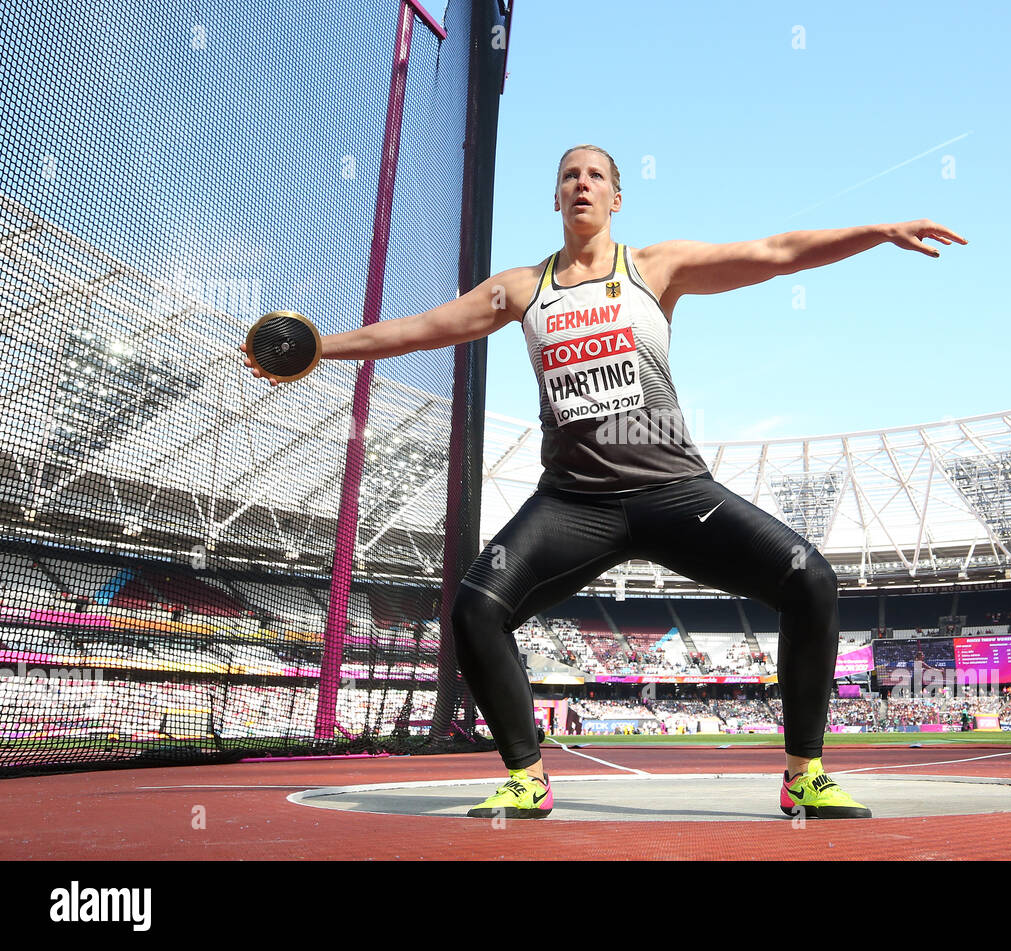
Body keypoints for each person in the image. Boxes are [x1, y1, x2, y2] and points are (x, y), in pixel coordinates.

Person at [241, 145, 965, 819]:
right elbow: (425, 328)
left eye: (594, 175)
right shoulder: (524, 289)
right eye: (568, 175)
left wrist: (877, 229)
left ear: (616, 196)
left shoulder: (655, 267)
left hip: (673, 491)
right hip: (574, 503)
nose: (580, 183)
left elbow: (775, 254)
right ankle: (526, 775)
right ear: (556, 197)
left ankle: (803, 771)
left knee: (810, 578)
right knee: (474, 608)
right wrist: (315, 349)